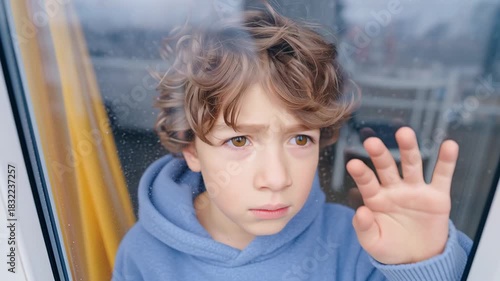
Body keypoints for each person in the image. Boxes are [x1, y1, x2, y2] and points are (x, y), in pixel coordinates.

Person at [112, 2, 472, 280]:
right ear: (191, 148)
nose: (276, 178)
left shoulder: (361, 242)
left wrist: (425, 264)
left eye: (299, 138)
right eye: (239, 141)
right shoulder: (145, 256)